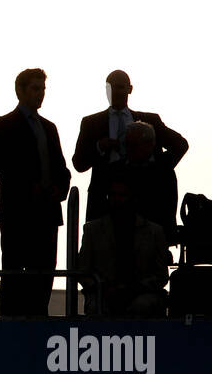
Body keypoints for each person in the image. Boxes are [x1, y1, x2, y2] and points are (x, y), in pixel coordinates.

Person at [0, 68, 71, 316]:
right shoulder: (3, 124)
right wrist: (29, 187)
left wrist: (60, 188)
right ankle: (9, 324)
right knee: (14, 272)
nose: (40, 94)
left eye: (43, 89)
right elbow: (0, 164)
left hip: (46, 211)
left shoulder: (49, 127)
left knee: (45, 272)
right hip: (18, 212)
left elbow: (61, 167)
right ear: (21, 91)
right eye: (35, 89)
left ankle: (38, 321)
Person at [72, 70, 187, 223]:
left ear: (130, 89)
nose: (116, 92)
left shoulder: (150, 120)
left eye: (120, 87)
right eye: (111, 88)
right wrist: (99, 147)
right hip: (104, 202)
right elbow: (79, 163)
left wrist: (154, 165)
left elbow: (180, 144)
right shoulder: (91, 123)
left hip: (146, 202)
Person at [77, 173, 169, 316]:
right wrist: (103, 288)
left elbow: (161, 275)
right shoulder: (92, 230)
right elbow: (83, 271)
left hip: (142, 294)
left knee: (143, 306)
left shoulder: (154, 232)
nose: (117, 200)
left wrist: (135, 289)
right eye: (113, 195)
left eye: (122, 195)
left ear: (132, 197)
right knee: (97, 307)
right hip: (103, 294)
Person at [120, 121, 180, 238]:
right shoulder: (119, 169)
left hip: (157, 233)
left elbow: (167, 207)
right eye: (127, 144)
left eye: (134, 145)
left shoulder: (163, 170)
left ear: (150, 144)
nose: (129, 149)